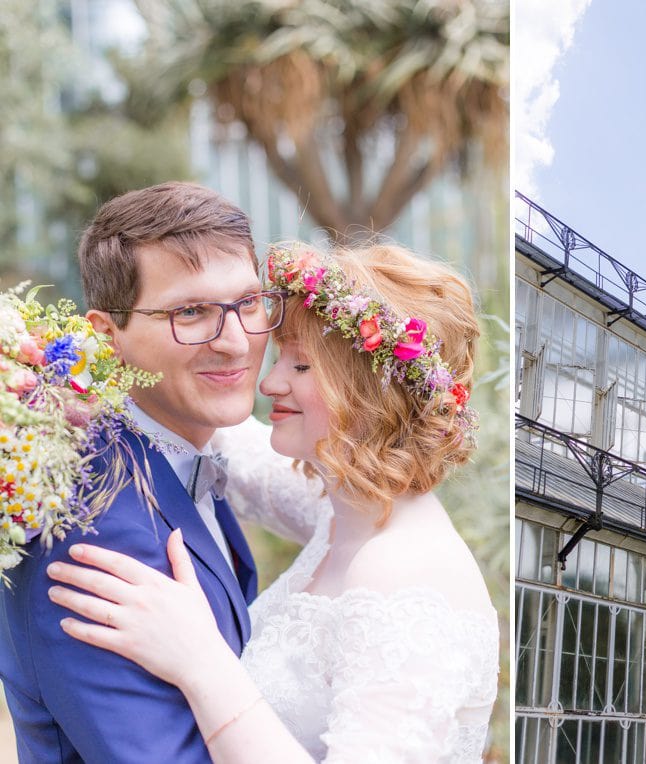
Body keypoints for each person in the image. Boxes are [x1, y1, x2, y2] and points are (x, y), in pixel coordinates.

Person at [46, 243, 500, 762]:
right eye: (281, 355)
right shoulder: (346, 508)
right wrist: (59, 371)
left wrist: (201, 663)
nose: (269, 382)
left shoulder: (408, 572)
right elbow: (217, 440)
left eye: (302, 366)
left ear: (372, 391)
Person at [0, 182, 320, 762]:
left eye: (248, 303)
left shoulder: (175, 453)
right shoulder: (91, 532)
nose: (235, 342)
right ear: (105, 335)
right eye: (189, 312)